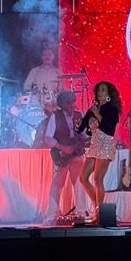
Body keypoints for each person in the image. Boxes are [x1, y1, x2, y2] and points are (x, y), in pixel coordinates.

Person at [77, 81, 122, 216]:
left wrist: (97, 114)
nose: (99, 93)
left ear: (108, 93)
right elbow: (81, 128)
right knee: (83, 178)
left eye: (103, 90)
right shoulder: (93, 109)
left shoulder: (112, 109)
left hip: (106, 144)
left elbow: (109, 129)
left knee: (97, 179)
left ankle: (99, 213)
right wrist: (78, 124)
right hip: (94, 145)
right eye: (98, 90)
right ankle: (99, 208)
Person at [43, 90, 86, 220]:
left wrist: (88, 139)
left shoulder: (79, 115)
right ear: (62, 104)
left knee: (79, 183)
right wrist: (62, 147)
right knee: (57, 185)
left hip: (77, 154)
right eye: (68, 103)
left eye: (73, 102)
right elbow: (48, 138)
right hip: (61, 155)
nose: (72, 105)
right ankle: (52, 214)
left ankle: (81, 213)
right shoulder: (55, 117)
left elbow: (84, 135)